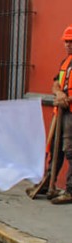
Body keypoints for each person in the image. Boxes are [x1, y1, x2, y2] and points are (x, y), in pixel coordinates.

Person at [48, 25, 72, 204]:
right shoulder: (66, 62)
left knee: (70, 150)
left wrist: (66, 99)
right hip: (61, 112)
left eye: (71, 42)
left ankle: (70, 190)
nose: (68, 45)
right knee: (54, 148)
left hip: (70, 113)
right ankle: (49, 183)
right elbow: (56, 82)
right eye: (66, 42)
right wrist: (58, 94)